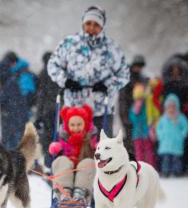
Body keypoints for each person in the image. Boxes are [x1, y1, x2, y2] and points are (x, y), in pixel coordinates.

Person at [48, 5, 129, 136]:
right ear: (83, 24)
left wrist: (107, 86)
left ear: (102, 27)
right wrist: (65, 81)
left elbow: (124, 74)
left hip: (102, 109)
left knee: (100, 151)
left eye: (96, 25)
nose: (91, 28)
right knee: (73, 151)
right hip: (74, 110)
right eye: (88, 23)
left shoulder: (111, 48)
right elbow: (53, 65)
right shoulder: (69, 44)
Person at [154, 55, 188, 175]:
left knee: (185, 144)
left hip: (183, 114)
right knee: (164, 147)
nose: (175, 70)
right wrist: (162, 108)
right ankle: (165, 169)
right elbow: (155, 98)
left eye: (178, 68)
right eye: (173, 68)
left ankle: (182, 169)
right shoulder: (163, 82)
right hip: (166, 114)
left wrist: (184, 108)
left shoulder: (187, 82)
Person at [48, 105, 97, 204]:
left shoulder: (91, 138)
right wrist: (55, 148)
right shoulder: (63, 138)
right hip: (67, 170)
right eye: (72, 125)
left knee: (89, 163)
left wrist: (98, 147)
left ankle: (81, 194)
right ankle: (63, 193)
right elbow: (56, 156)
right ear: (67, 125)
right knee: (61, 161)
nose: (76, 128)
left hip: (84, 171)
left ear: (85, 124)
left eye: (79, 124)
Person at [35, 51, 60, 168]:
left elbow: (40, 95)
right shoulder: (59, 73)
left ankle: (49, 162)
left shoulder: (42, 74)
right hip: (60, 110)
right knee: (59, 136)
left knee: (48, 137)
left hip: (47, 111)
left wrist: (38, 115)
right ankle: (58, 160)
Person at [119, 55, 149, 153]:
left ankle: (134, 156)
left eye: (140, 66)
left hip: (137, 112)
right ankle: (128, 155)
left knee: (136, 137)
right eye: (137, 66)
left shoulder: (141, 78)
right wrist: (125, 115)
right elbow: (123, 98)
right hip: (127, 110)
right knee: (129, 135)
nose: (138, 68)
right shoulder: (126, 77)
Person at [155, 94, 188, 177]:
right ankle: (165, 172)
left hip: (176, 142)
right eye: (169, 106)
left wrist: (182, 135)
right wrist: (161, 135)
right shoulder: (163, 118)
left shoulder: (180, 117)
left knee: (176, 159)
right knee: (166, 159)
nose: (171, 108)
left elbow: (186, 126)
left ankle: (177, 172)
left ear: (176, 106)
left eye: (173, 106)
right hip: (165, 143)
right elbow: (158, 128)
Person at [129, 83, 157, 168]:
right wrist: (135, 111)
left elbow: (149, 117)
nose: (139, 100)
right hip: (137, 134)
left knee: (148, 151)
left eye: (141, 98)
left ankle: (150, 166)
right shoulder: (133, 107)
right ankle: (140, 166)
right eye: (138, 98)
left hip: (146, 133)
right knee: (139, 151)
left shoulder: (147, 105)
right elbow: (132, 118)